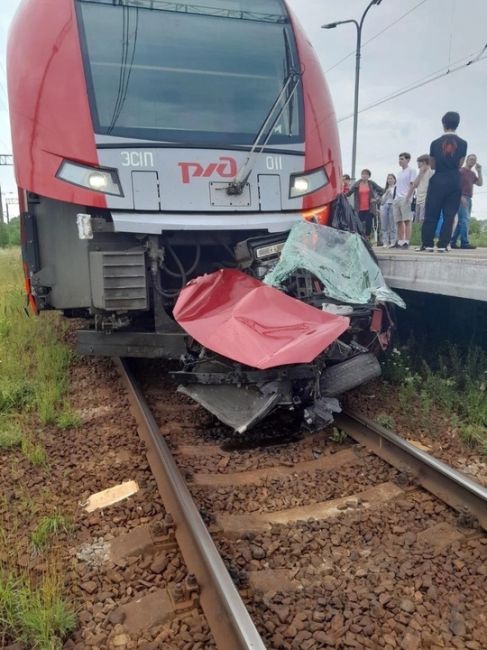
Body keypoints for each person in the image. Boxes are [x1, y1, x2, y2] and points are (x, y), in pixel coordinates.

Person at [421, 111, 467, 252]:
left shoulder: (435, 143)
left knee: (431, 213)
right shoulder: (463, 143)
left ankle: (427, 243)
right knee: (449, 215)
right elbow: (460, 164)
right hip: (454, 180)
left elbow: (433, 165)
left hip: (438, 179)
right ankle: (443, 244)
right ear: (457, 124)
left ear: (443, 124)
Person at [450, 154, 483, 249]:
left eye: (474, 160)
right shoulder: (461, 171)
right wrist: (460, 197)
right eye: (471, 159)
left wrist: (479, 172)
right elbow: (455, 185)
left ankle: (453, 242)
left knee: (462, 221)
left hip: (469, 198)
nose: (472, 161)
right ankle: (464, 243)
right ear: (467, 160)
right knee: (465, 220)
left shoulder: (472, 173)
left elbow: (480, 184)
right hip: (461, 197)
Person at [346, 169, 384, 237]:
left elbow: (381, 191)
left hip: (369, 208)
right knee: (359, 225)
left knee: (368, 225)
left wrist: (376, 199)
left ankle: (367, 238)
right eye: (363, 174)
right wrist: (342, 194)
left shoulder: (371, 183)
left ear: (369, 176)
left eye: (366, 174)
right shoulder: (357, 184)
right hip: (359, 208)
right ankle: (361, 238)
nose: (364, 175)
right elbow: (349, 193)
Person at [392, 153, 416, 248]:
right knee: (398, 221)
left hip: (405, 198)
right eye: (399, 159)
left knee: (407, 220)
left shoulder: (412, 170)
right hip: (397, 199)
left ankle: (407, 241)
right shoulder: (399, 173)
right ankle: (400, 241)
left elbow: (412, 185)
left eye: (402, 159)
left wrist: (408, 198)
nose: (400, 161)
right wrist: (395, 198)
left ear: (408, 160)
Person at [380, 174, 397, 247]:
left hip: (392, 205)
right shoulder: (385, 189)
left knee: (392, 224)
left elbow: (396, 198)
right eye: (388, 179)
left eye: (391, 178)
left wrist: (391, 192)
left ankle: (393, 241)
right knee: (384, 224)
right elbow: (382, 201)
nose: (390, 180)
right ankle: (385, 242)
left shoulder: (397, 188)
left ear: (394, 180)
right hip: (385, 206)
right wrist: (386, 193)